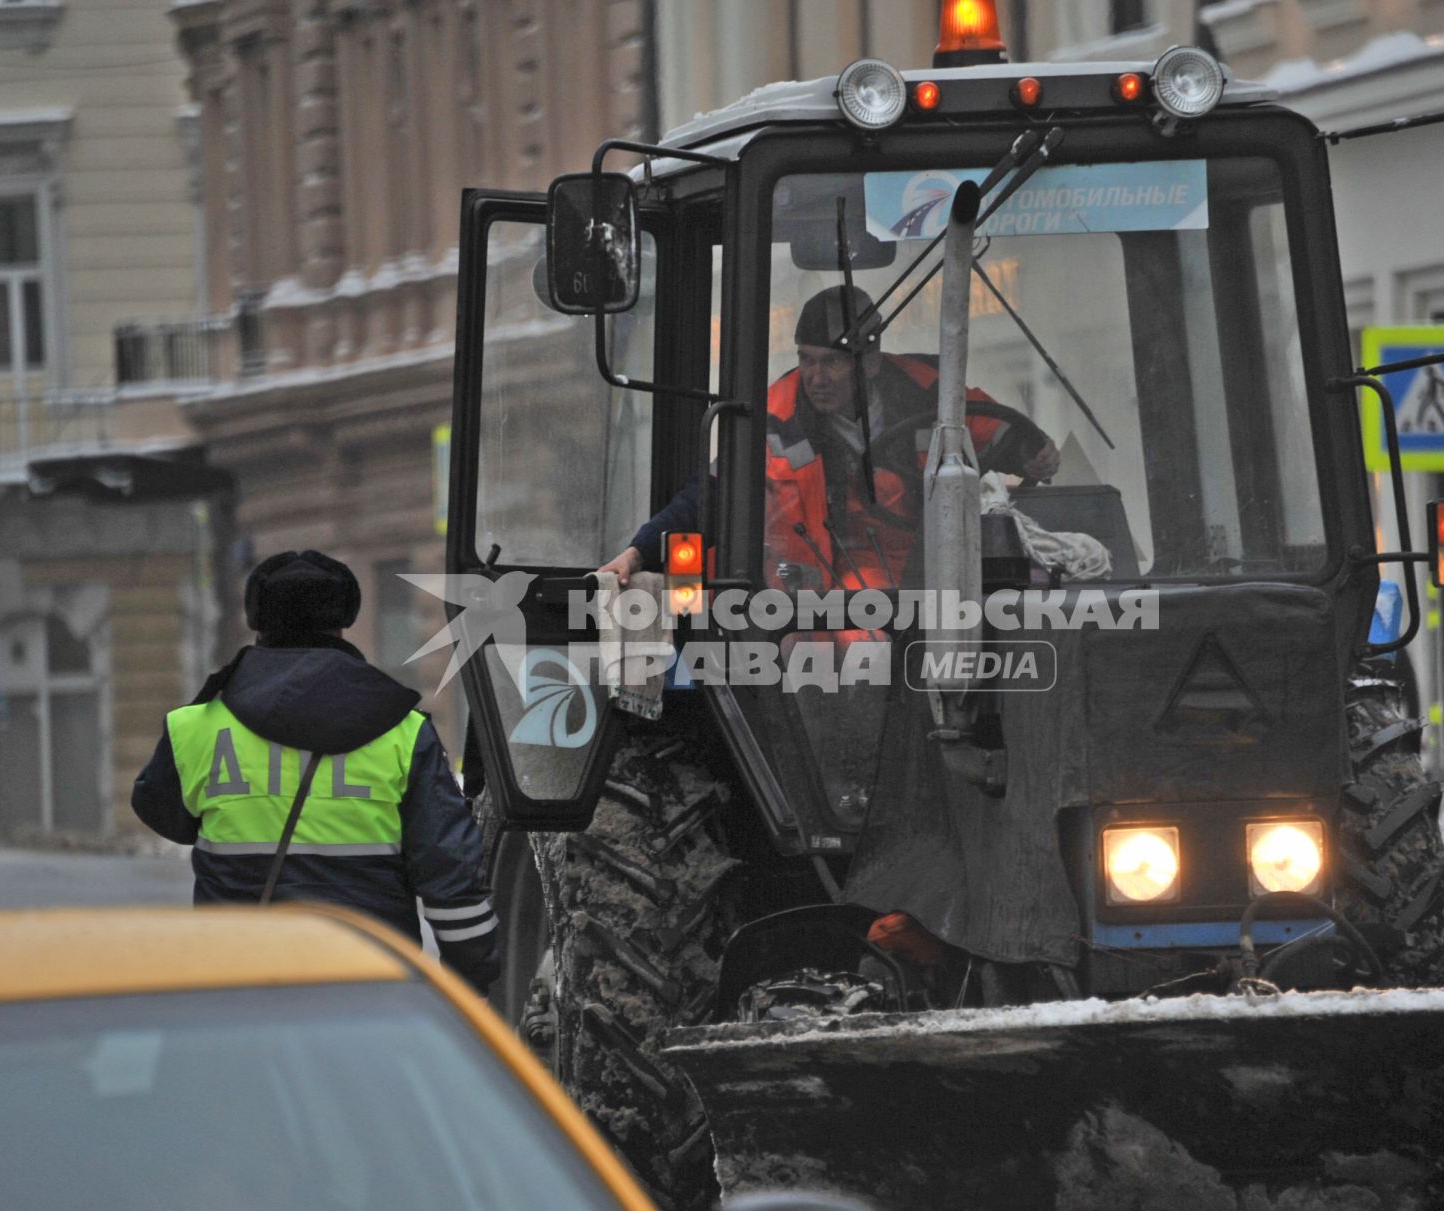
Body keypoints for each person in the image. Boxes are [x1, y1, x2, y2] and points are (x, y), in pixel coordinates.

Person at [131, 550, 499, 993]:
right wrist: (472, 984)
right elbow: (450, 873)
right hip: (369, 986)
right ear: (342, 621)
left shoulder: (196, 726)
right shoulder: (403, 731)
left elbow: (161, 811)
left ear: (258, 620)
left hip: (234, 985)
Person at [598, 284, 1059, 589]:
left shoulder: (929, 393)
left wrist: (1030, 454)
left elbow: (996, 432)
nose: (815, 377)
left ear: (872, 365)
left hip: (924, 578)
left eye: (832, 362)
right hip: (809, 596)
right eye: (807, 359)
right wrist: (639, 552)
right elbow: (711, 494)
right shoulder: (777, 416)